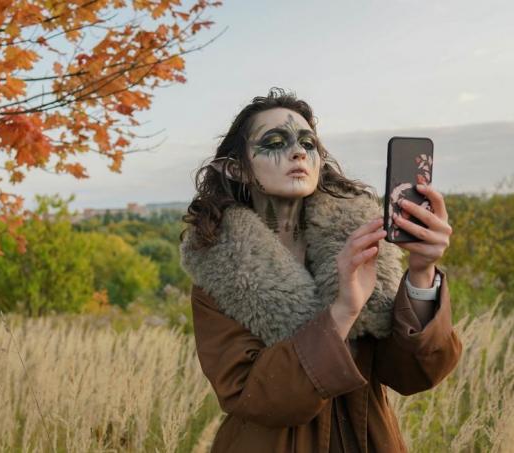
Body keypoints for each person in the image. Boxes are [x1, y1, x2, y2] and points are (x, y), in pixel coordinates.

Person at [178, 87, 462, 452]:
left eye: (308, 143)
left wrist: (422, 273)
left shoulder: (362, 244)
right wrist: (343, 311)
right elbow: (254, 396)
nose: (298, 152)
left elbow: (414, 375)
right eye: (275, 141)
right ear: (237, 168)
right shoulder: (219, 269)